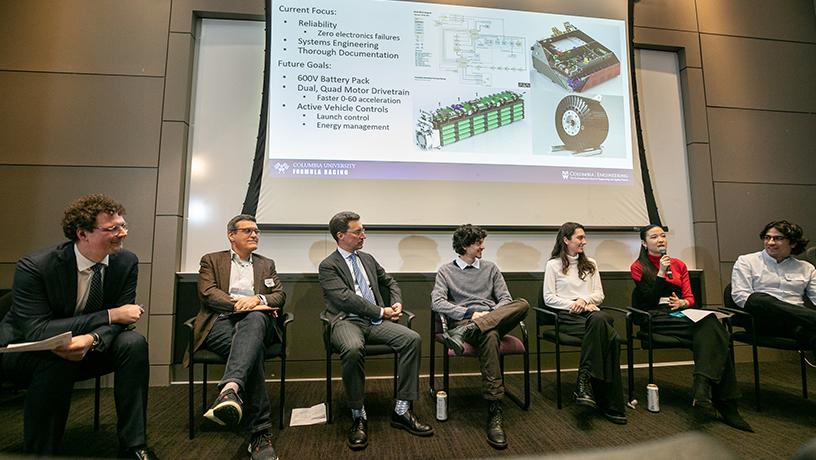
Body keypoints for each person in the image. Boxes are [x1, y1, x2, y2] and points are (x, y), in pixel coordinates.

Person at [0, 194, 155, 458]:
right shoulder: (37, 266)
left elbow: (123, 320)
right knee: (57, 357)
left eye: (123, 225)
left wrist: (92, 339)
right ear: (82, 233)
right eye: (113, 228)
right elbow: (37, 330)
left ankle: (134, 446)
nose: (123, 233)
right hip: (26, 351)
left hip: (86, 346)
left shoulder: (126, 262)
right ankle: (41, 452)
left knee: (134, 343)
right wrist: (109, 315)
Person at [318, 211, 433, 450]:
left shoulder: (367, 259)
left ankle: (402, 409)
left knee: (412, 339)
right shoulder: (328, 266)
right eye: (358, 231)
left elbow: (390, 282)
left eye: (363, 230)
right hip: (345, 321)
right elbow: (345, 299)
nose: (363, 235)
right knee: (352, 348)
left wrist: (397, 301)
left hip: (375, 322)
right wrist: (382, 312)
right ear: (341, 235)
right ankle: (358, 413)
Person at [631, 224, 752, 431]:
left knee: (712, 324)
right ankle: (725, 404)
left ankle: (703, 387)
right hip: (654, 318)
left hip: (679, 316)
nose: (660, 240)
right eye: (654, 237)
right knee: (718, 334)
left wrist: (683, 304)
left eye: (663, 235)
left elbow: (690, 298)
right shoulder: (638, 266)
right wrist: (660, 273)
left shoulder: (679, 265)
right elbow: (647, 300)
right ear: (644, 243)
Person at [189, 214, 285, 460]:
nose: (254, 235)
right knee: (252, 353)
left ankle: (230, 389)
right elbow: (208, 293)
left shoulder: (266, 263)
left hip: (257, 322)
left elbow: (279, 295)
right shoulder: (211, 260)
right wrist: (239, 303)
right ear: (232, 235)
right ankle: (261, 435)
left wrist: (258, 300)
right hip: (220, 323)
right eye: (248, 231)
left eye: (256, 231)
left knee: (254, 320)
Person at [432, 224, 530, 449]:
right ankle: (495, 410)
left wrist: (490, 315)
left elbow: (506, 298)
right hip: (467, 320)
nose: (482, 247)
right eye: (478, 243)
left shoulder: (491, 268)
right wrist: (470, 313)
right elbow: (437, 302)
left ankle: (464, 333)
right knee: (491, 334)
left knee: (522, 304)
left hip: (491, 318)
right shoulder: (446, 271)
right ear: (465, 246)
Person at [542, 222, 626, 424]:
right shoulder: (553, 265)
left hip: (591, 315)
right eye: (579, 238)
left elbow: (599, 294)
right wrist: (575, 304)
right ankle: (611, 404)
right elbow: (549, 298)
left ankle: (585, 381)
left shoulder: (591, 264)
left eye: (584, 237)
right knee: (611, 339)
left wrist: (585, 301)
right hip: (569, 317)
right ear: (566, 240)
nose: (584, 242)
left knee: (598, 319)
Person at [730, 220, 815, 357]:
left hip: (796, 323)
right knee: (758, 298)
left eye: (777, 238)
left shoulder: (806, 268)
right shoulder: (747, 261)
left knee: (813, 335)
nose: (770, 242)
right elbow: (741, 296)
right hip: (762, 321)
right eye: (767, 237)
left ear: (792, 243)